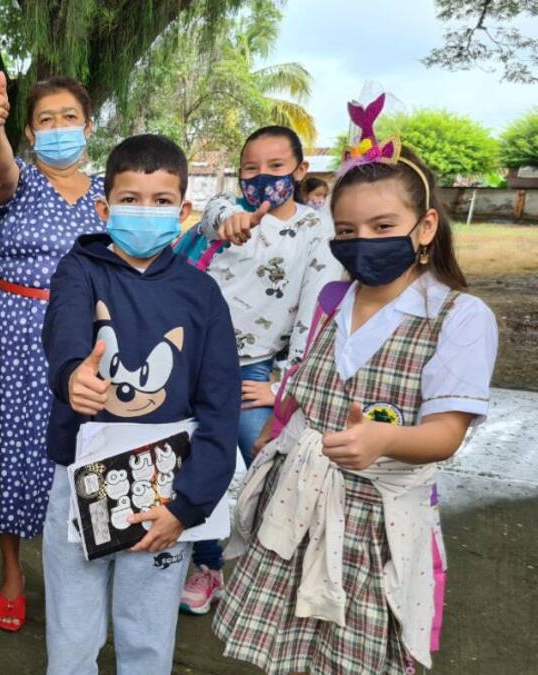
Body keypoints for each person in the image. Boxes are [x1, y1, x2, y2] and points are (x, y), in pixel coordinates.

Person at [213, 132, 498, 674]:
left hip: (375, 528)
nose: (362, 240)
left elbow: (447, 432)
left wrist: (386, 439)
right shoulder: (332, 299)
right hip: (294, 504)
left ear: (426, 228)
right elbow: (304, 386)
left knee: (355, 654)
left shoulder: (458, 318)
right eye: (347, 230)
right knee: (288, 647)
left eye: (383, 227)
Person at [41, 134, 240, 674]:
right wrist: (69, 376)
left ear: (184, 211)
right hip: (81, 477)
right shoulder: (80, 270)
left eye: (160, 201)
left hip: (165, 490)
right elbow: (64, 332)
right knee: (72, 628)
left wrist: (188, 506)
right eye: (130, 199)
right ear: (105, 207)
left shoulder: (202, 296)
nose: (144, 211)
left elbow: (221, 409)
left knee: (148, 634)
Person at [0, 72, 107, 633]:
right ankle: (14, 573)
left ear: (88, 125)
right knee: (13, 455)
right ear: (28, 132)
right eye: (46, 120)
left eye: (69, 117)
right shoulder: (16, 182)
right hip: (14, 336)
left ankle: (73, 576)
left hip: (86, 344)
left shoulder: (106, 195)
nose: (59, 128)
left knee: (80, 457)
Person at [177, 126, 342, 615]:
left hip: (255, 372)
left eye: (276, 167)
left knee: (272, 470)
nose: (262, 177)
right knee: (192, 467)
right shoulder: (226, 210)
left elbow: (315, 317)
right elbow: (212, 216)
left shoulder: (317, 233)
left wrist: (280, 387)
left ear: (300, 171)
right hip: (192, 362)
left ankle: (267, 572)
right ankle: (207, 567)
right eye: (251, 168)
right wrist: (230, 220)